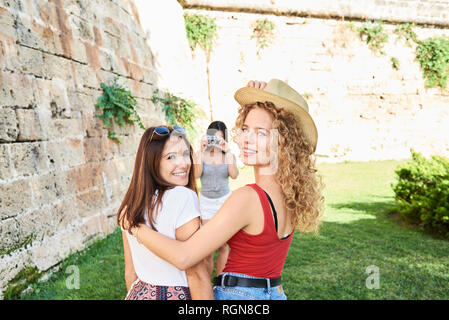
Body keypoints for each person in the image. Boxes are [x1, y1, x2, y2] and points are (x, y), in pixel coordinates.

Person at [124, 79, 324, 300]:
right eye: (246, 129)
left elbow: (184, 257)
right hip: (274, 293)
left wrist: (135, 227)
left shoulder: (247, 199)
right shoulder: (291, 194)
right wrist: (261, 100)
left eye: (261, 133)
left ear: (284, 142)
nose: (246, 139)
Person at [117, 125, 213, 300]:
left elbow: (130, 273)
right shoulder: (183, 197)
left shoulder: (130, 205)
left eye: (185, 154)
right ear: (152, 161)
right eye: (171, 157)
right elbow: (196, 274)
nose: (184, 163)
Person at [193, 121, 239, 276]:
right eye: (213, 138)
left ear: (224, 139)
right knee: (208, 249)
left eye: (220, 139)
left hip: (224, 202)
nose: (216, 142)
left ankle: (219, 283)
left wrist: (228, 151)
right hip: (206, 203)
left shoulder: (228, 155)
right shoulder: (202, 154)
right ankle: (206, 285)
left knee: (223, 246)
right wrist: (200, 150)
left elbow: (234, 175)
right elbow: (195, 175)